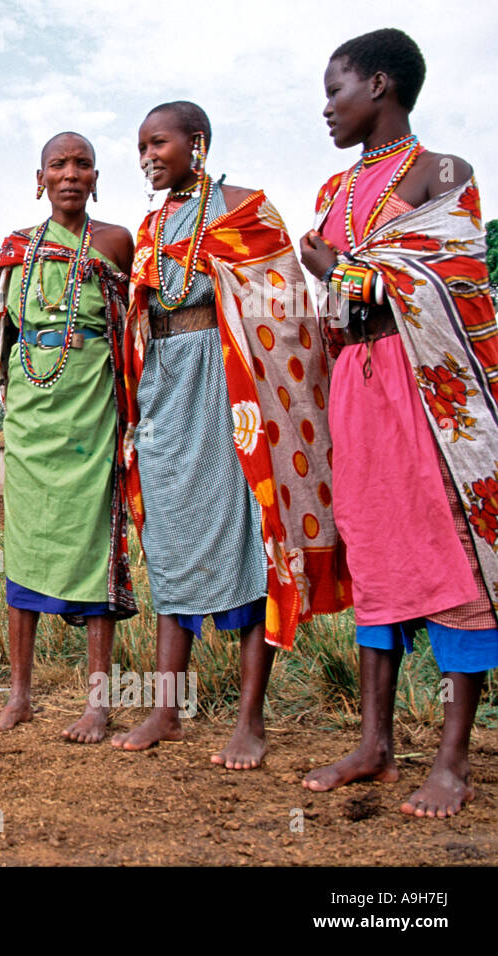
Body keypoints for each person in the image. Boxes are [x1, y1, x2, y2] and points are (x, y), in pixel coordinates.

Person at [298, 29, 498, 817]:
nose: (326, 107)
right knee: (375, 551)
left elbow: (455, 275)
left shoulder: (444, 172)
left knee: (447, 555)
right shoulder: (330, 191)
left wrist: (338, 271)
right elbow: (332, 305)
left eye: (335, 89)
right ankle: (374, 743)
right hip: (359, 382)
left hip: (427, 390)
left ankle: (453, 760)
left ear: (379, 85)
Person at [113, 102, 348, 767]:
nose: (147, 155)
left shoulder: (249, 210)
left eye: (157, 141)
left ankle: (250, 720)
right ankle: (167, 709)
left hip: (230, 387)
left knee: (247, 541)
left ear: (197, 142)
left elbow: (286, 309)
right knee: (168, 539)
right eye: (140, 145)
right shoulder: (153, 225)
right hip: (164, 389)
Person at [0, 132, 138, 742]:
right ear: (40, 176)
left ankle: (98, 702)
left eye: (82, 164)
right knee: (22, 542)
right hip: (29, 403)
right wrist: (15, 394)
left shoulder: (115, 242)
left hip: (91, 401)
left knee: (89, 540)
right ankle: (19, 694)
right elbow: (9, 334)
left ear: (96, 176)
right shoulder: (17, 247)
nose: (70, 173)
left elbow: (130, 326)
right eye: (58, 164)